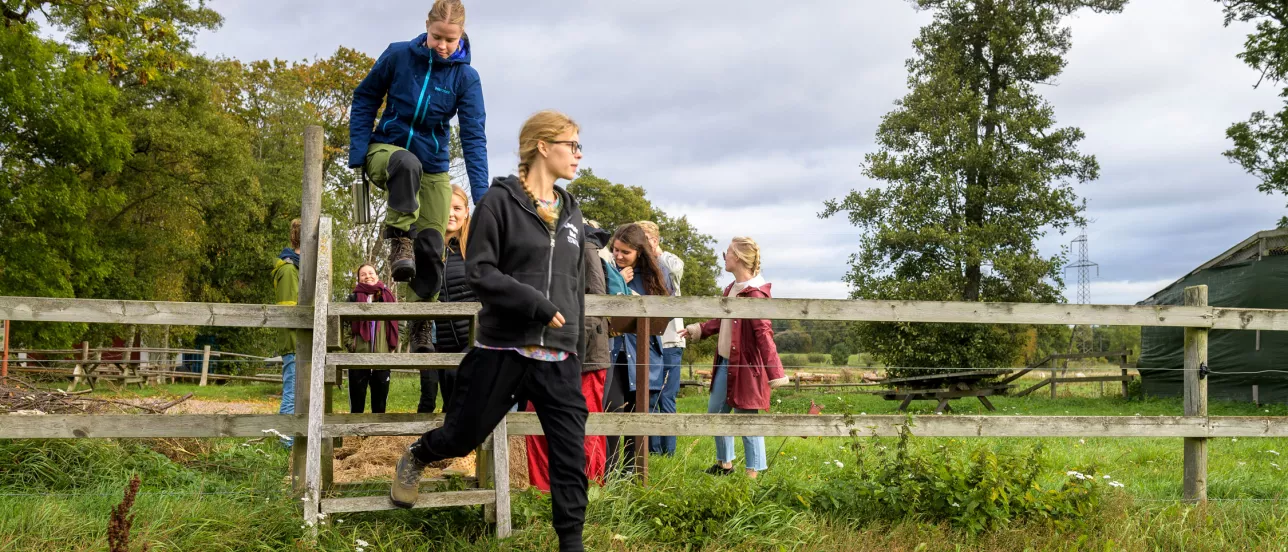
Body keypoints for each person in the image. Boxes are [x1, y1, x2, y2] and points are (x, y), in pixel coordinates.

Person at [391, 110, 589, 552]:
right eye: (571, 145)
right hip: (503, 347)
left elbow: (575, 287)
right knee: (463, 436)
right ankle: (419, 455)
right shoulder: (498, 203)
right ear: (542, 146)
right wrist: (534, 304)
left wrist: (574, 345)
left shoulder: (573, 214)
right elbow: (480, 273)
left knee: (570, 457)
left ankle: (571, 544)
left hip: (559, 357)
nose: (579, 155)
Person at [348, 0, 488, 315]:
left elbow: (473, 137)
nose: (442, 46)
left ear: (461, 35)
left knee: (431, 246)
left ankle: (422, 324)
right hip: (386, 151)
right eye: (437, 37)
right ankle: (399, 239)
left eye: (450, 40)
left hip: (434, 167)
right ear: (427, 26)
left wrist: (483, 195)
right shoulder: (398, 55)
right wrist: (358, 154)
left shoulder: (466, 79)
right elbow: (366, 95)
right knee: (405, 163)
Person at [680, 237, 783, 479]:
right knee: (716, 414)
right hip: (725, 363)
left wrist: (775, 373)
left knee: (747, 419)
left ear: (736, 257)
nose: (724, 257)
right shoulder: (732, 288)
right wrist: (700, 329)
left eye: (726, 253)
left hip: (746, 368)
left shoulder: (755, 294)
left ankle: (753, 474)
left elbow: (764, 333)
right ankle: (724, 464)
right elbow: (722, 320)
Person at [525, 220, 611, 491]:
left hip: (582, 355)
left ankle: (592, 492)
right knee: (535, 422)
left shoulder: (584, 245)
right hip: (538, 351)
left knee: (584, 426)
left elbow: (596, 301)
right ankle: (541, 494)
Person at [603, 223, 671, 475]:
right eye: (616, 250)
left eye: (625, 252)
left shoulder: (656, 276)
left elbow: (664, 313)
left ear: (639, 252)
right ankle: (608, 475)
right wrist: (618, 282)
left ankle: (632, 474)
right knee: (612, 412)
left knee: (636, 416)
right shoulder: (607, 271)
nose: (618, 256)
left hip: (643, 355)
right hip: (613, 353)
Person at [418, 185, 474, 414]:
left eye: (457, 208)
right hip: (439, 338)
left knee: (457, 375)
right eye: (446, 207)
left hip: (471, 337)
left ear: (466, 212)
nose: (451, 213)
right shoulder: (431, 250)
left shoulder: (475, 249)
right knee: (444, 399)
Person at [636, 220, 684, 456]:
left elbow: (676, 269)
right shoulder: (638, 267)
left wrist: (655, 252)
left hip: (671, 340)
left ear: (654, 240)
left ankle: (670, 452)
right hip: (648, 340)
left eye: (643, 238)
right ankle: (652, 451)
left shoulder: (669, 262)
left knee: (667, 397)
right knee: (650, 395)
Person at [345, 264, 399, 414]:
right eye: (363, 274)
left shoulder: (387, 297)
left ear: (377, 276)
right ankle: (355, 431)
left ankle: (377, 431)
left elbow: (399, 323)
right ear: (358, 279)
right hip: (359, 356)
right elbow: (344, 324)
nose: (367, 276)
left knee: (380, 400)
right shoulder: (353, 298)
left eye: (370, 273)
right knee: (357, 399)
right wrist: (351, 344)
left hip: (382, 355)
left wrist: (392, 345)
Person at [270, 218, 301, 446]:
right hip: (295, 341)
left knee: (299, 393)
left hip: (302, 342)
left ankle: (292, 442)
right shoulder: (290, 269)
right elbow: (290, 311)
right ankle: (285, 445)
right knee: (291, 393)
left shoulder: (298, 266)